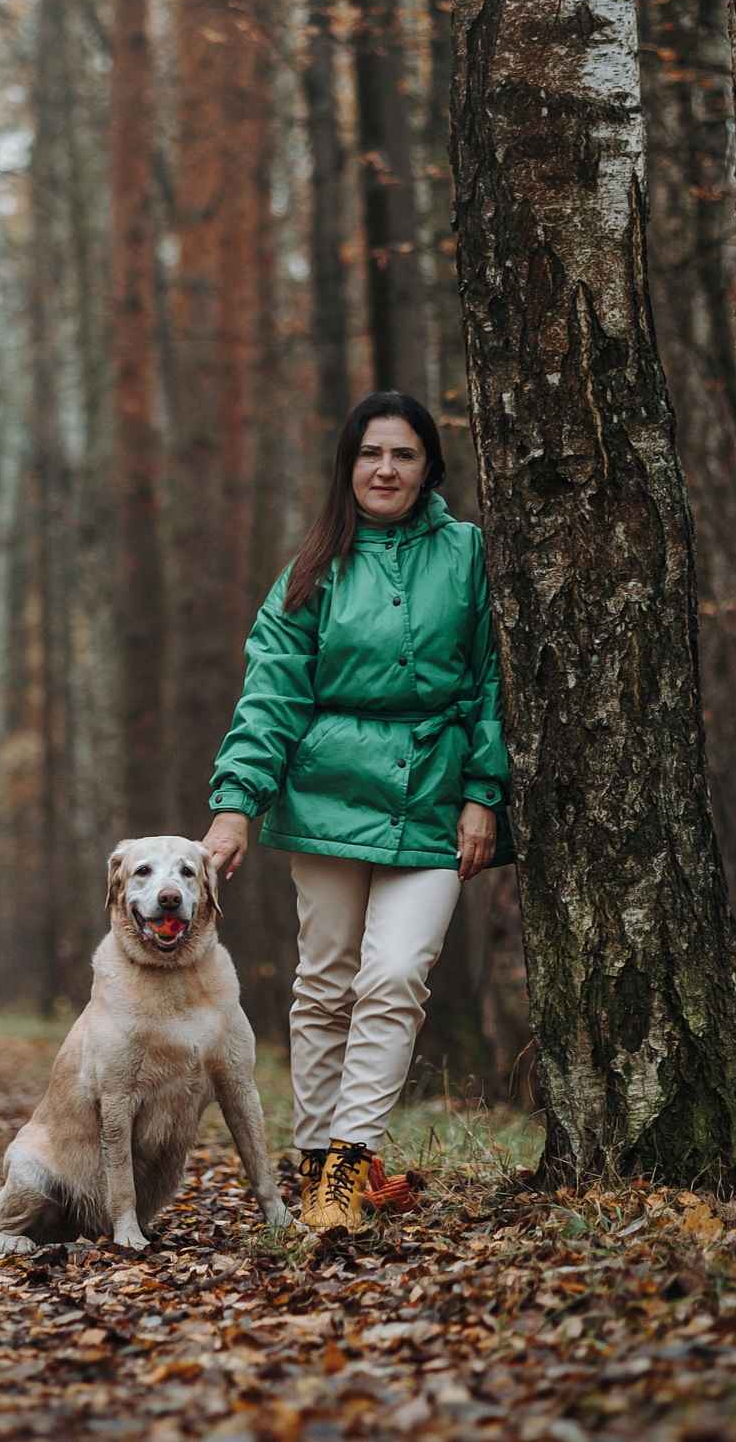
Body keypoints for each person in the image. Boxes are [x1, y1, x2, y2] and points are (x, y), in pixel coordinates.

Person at [201, 391, 505, 1230]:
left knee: (398, 972)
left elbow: (492, 682)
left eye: (403, 454)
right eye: (371, 453)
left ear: (429, 468)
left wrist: (484, 791)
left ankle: (348, 1159)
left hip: (438, 797)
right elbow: (270, 693)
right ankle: (325, 1169)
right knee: (327, 982)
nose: (385, 468)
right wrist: (235, 804)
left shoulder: (472, 554)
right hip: (328, 795)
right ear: (348, 466)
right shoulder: (315, 565)